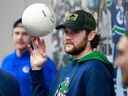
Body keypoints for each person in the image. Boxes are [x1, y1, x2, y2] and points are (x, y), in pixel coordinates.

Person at [29, 10, 115, 96]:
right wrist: (37, 69)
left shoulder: (95, 69)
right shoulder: (67, 68)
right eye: (66, 32)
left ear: (91, 35)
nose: (67, 37)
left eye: (75, 32)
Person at [1, 18, 57, 96]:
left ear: (32, 37)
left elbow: (52, 91)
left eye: (24, 34)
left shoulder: (43, 62)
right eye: (17, 33)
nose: (20, 37)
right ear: (12, 35)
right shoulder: (6, 61)